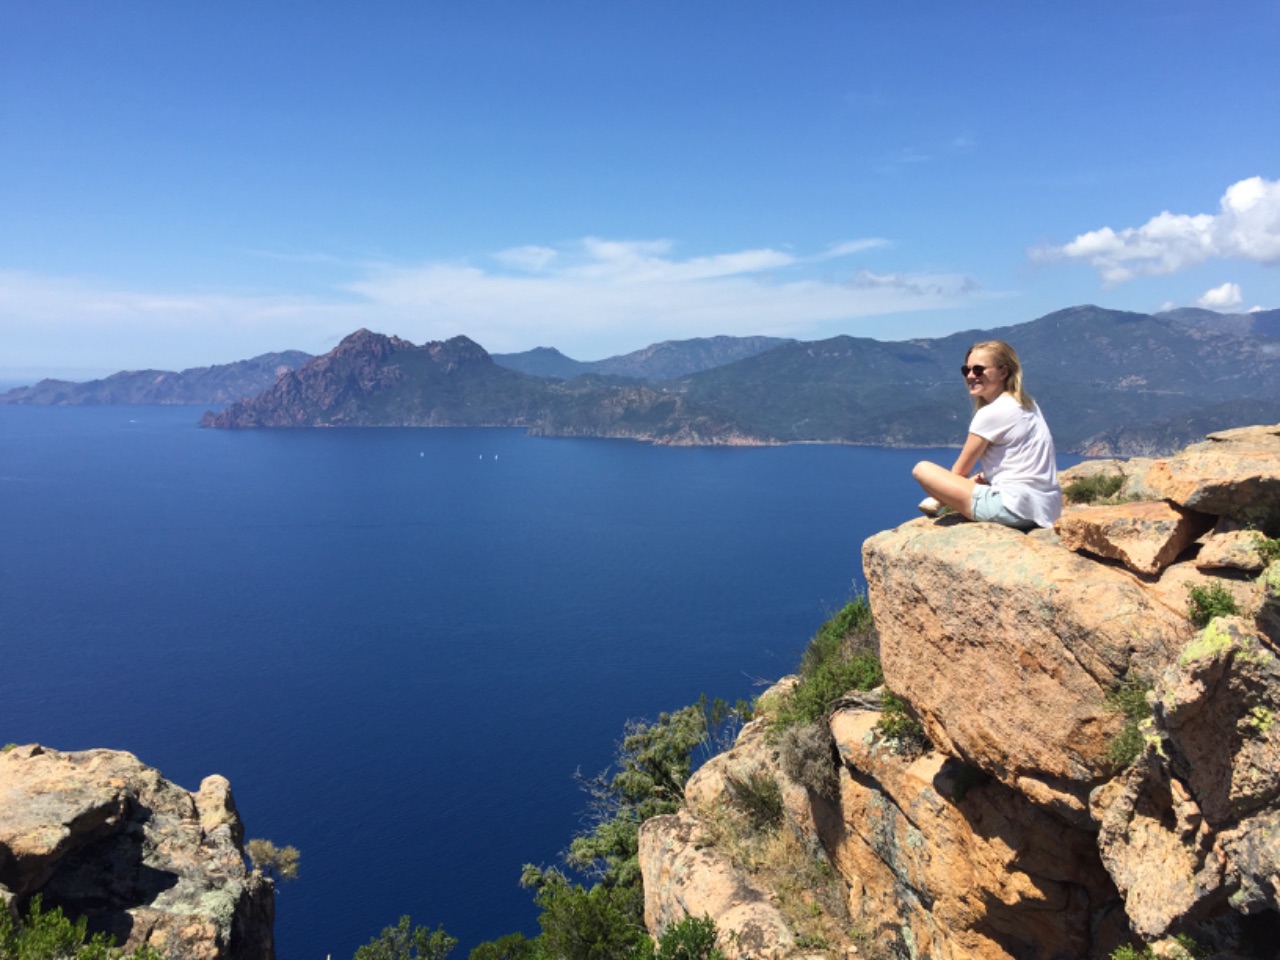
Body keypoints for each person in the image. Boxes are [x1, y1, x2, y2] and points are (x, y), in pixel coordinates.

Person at [912, 340, 1061, 530]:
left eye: (979, 370)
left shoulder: (991, 413)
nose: (971, 376)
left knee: (922, 469)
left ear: (1003, 372)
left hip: (1011, 508)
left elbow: (959, 471)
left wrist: (940, 496)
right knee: (979, 477)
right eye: (967, 370)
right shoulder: (1027, 404)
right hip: (1045, 509)